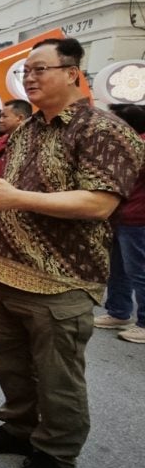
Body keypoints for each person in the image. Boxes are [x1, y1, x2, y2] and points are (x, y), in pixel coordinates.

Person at [0, 38, 145, 468]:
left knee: (57, 377)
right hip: (2, 270)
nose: (29, 78)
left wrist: (18, 200)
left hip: (61, 279)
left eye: (40, 69)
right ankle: (18, 427)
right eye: (26, 71)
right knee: (10, 363)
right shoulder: (28, 128)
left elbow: (99, 202)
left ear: (72, 72)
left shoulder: (102, 129)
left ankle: (56, 451)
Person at [98, 104, 145, 343]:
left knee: (139, 272)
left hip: (137, 219)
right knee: (118, 269)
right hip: (120, 217)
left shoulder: (138, 146)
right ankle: (118, 311)